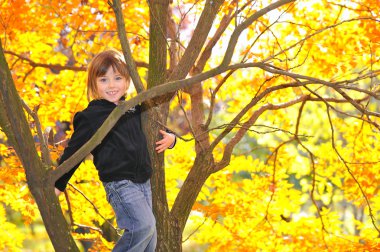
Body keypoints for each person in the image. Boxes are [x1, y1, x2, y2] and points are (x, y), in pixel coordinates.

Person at [54, 49, 176, 252]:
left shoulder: (134, 107)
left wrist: (171, 139)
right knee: (142, 227)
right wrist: (58, 184)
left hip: (143, 182)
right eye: (103, 80)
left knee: (150, 239)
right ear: (93, 84)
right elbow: (74, 153)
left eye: (117, 78)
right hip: (120, 183)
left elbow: (155, 126)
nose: (111, 85)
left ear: (127, 80)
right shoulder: (91, 115)